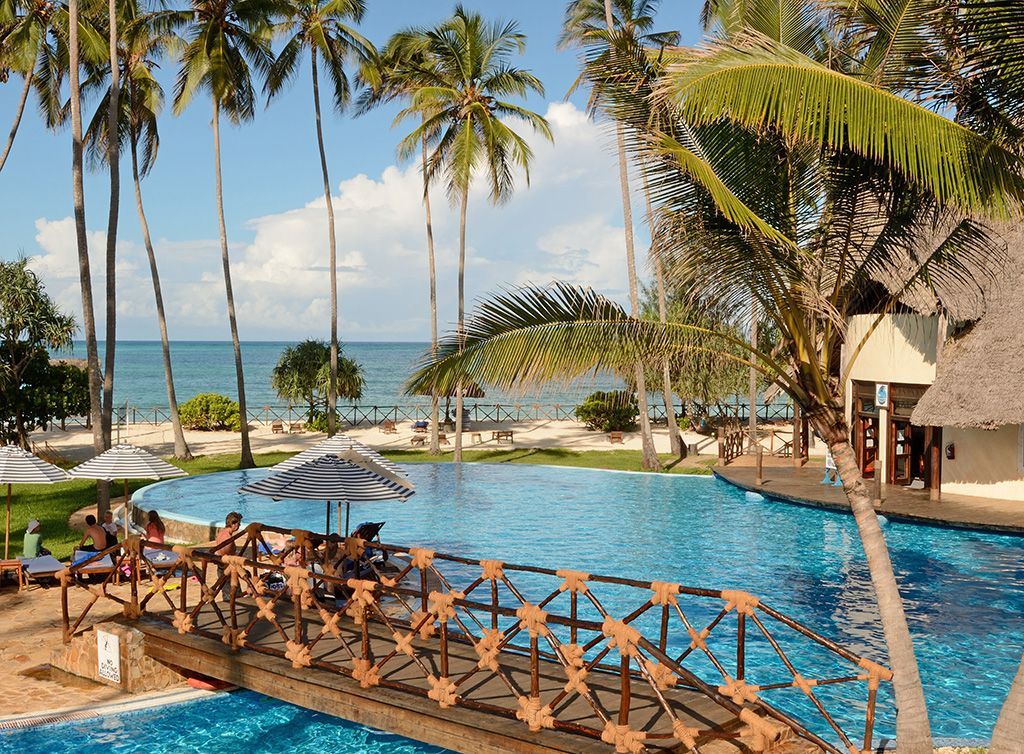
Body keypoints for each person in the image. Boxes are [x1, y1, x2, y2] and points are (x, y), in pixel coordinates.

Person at [214, 511, 242, 601]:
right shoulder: (228, 539)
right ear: (234, 524)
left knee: (226, 594)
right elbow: (226, 555)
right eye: (239, 524)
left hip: (221, 567)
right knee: (234, 595)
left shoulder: (221, 532)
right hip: (227, 568)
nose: (239, 526)